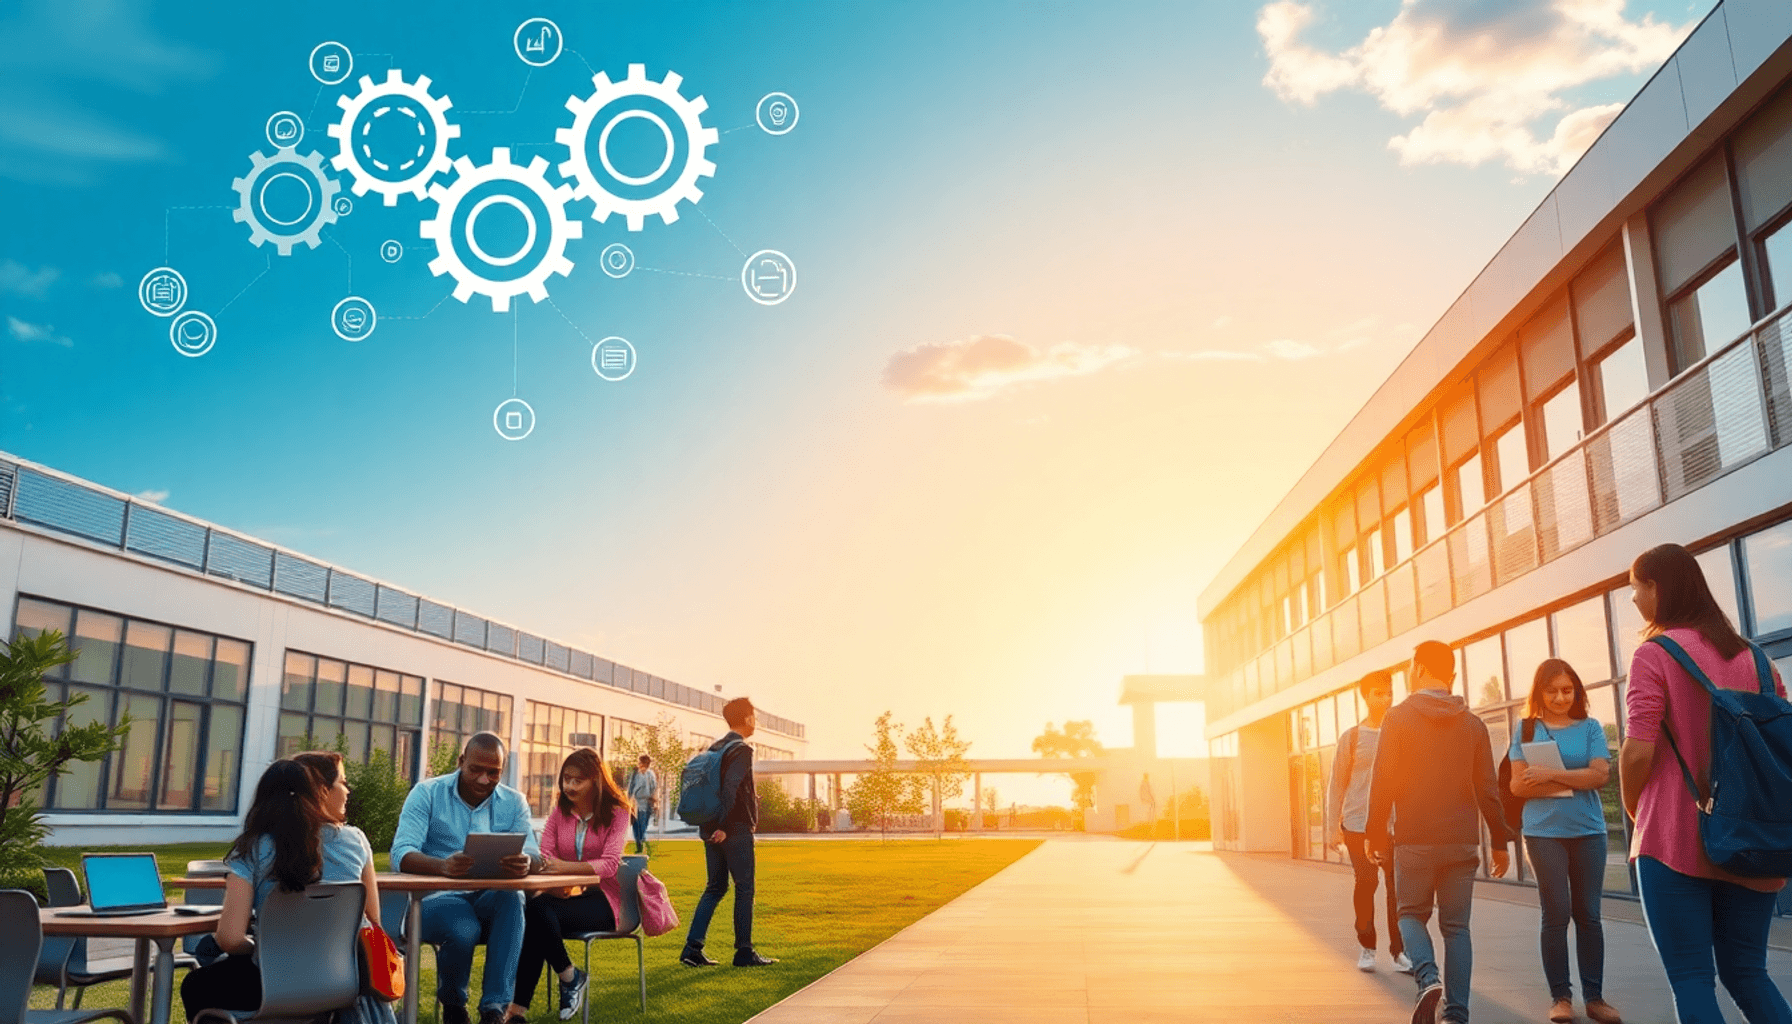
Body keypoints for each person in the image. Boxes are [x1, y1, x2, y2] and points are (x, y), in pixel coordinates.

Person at [1618, 543, 1792, 1024]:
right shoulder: (1759, 662)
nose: (1632, 599)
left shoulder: (1653, 655)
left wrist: (1636, 811)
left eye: (1636, 587)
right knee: (1749, 975)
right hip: (1755, 838)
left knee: (1692, 979)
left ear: (1657, 587)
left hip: (1674, 836)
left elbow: (1638, 749)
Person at [1367, 640, 1511, 1024]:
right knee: (1456, 928)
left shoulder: (1397, 718)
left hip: (1414, 839)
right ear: (1453, 675)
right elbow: (1488, 789)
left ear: (1416, 668)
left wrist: (1375, 834)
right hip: (1461, 842)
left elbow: (1382, 782)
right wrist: (1499, 841)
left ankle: (1427, 977)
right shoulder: (1473, 724)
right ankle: (1457, 1015)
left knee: (1410, 915)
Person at [180, 752, 380, 1021]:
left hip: (269, 986)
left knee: (195, 985)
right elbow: (372, 921)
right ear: (317, 793)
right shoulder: (356, 842)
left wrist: (260, 945)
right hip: (342, 983)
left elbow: (228, 938)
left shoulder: (252, 849)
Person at [391, 732, 543, 1024]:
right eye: (476, 770)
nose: (484, 780)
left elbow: (534, 855)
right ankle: (453, 1005)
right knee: (464, 925)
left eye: (493, 772)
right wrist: (442, 867)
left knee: (513, 898)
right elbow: (401, 852)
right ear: (461, 762)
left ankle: (494, 1011)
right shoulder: (427, 793)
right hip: (436, 900)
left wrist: (526, 862)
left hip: (490, 899)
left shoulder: (514, 802)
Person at [1507, 659, 1623, 1024]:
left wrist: (1550, 775)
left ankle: (1595, 998)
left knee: (1588, 915)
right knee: (1555, 914)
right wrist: (1576, 777)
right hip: (1542, 832)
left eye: (1567, 690)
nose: (1560, 697)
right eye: (1552, 690)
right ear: (1539, 692)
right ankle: (1560, 998)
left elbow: (1601, 775)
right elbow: (1517, 785)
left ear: (1577, 692)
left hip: (1589, 830)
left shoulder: (1590, 728)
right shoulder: (1525, 729)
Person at [505, 748, 631, 1023]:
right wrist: (558, 877)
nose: (569, 786)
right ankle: (567, 979)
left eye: (578, 780)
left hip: (606, 902)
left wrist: (563, 868)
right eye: (566, 779)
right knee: (537, 910)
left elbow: (609, 865)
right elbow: (544, 855)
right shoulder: (559, 813)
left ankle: (522, 1007)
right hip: (570, 894)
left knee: (537, 915)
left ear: (595, 781)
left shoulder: (618, 813)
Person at [680, 697, 776, 968]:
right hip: (732, 829)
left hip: (710, 827)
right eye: (754, 716)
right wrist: (723, 826)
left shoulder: (714, 748)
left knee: (715, 887)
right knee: (744, 888)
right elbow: (731, 789)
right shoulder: (741, 750)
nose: (755, 721)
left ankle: (692, 949)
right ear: (747, 719)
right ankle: (744, 952)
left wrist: (712, 827)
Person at [1325, 670, 1410, 974]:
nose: (1385, 698)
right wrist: (1332, 826)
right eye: (1378, 693)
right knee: (1366, 883)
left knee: (1395, 887)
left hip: (1392, 824)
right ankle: (1367, 946)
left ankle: (1399, 952)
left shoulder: (1401, 733)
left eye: (1389, 692)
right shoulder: (1353, 738)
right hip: (1358, 823)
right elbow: (1337, 784)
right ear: (1365, 696)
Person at [627, 754, 658, 854]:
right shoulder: (636, 773)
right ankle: (639, 844)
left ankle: (642, 842)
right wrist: (628, 799)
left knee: (642, 824)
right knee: (635, 824)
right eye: (639, 762)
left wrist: (654, 800)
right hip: (636, 802)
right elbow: (631, 787)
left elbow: (654, 787)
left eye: (641, 762)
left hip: (647, 802)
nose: (640, 764)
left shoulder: (650, 774)